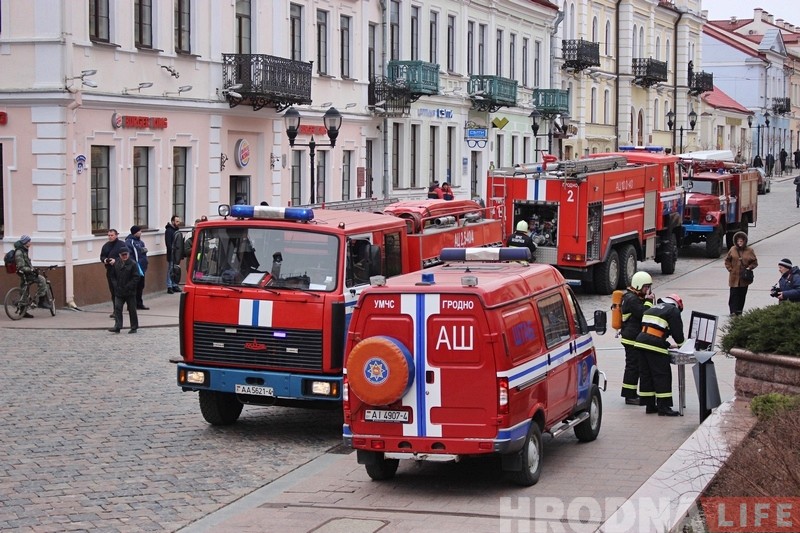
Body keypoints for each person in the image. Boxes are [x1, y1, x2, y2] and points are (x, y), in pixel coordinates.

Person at [635, 293, 685, 417]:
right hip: (654, 346)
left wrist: (666, 344)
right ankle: (664, 407)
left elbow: (653, 330)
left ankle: (650, 405)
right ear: (677, 305)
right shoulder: (673, 310)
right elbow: (677, 332)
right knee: (662, 375)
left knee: (646, 375)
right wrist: (682, 345)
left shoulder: (653, 308)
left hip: (640, 343)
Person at [619, 271, 654, 405]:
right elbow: (643, 314)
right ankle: (629, 396)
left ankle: (631, 393)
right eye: (646, 287)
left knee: (634, 366)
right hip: (631, 338)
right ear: (639, 285)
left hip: (632, 336)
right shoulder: (632, 299)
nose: (648, 290)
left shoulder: (633, 297)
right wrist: (649, 301)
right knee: (633, 367)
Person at [12, 235, 48, 318]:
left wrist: (32, 269)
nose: (30, 243)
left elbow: (26, 263)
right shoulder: (19, 252)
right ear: (25, 242)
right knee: (42, 280)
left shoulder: (24, 250)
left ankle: (23, 312)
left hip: (26, 273)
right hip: (25, 274)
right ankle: (41, 301)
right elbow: (21, 267)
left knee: (25, 290)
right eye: (29, 241)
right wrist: (31, 270)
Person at [724, 231, 757, 316]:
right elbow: (727, 260)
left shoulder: (750, 250)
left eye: (741, 241)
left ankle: (739, 311)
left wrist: (749, 268)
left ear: (744, 241)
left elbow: (755, 262)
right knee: (733, 295)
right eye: (738, 241)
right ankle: (733, 311)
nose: (739, 243)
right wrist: (730, 269)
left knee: (742, 295)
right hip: (734, 277)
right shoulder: (732, 249)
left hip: (744, 278)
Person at [108, 248, 141, 334]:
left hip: (130, 291)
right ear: (120, 255)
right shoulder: (116, 264)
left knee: (132, 309)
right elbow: (112, 276)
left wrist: (129, 286)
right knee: (117, 308)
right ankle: (118, 326)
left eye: (126, 254)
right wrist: (115, 285)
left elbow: (136, 277)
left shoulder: (133, 264)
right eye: (123, 255)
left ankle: (134, 327)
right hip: (119, 291)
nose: (125, 256)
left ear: (128, 254)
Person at [100, 229, 131, 317]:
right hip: (110, 271)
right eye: (109, 235)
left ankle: (127, 306)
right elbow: (102, 256)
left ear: (116, 235)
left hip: (121, 271)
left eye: (112, 235)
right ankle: (116, 311)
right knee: (113, 291)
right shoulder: (106, 246)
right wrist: (105, 260)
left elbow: (126, 256)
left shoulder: (121, 245)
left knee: (122, 290)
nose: (110, 237)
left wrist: (116, 260)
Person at [125, 225, 150, 310]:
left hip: (142, 268)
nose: (140, 232)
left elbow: (142, 252)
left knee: (140, 286)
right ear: (135, 232)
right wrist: (134, 265)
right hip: (135, 267)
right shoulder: (129, 242)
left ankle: (139, 303)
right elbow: (130, 255)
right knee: (134, 287)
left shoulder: (140, 242)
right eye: (139, 231)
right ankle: (131, 305)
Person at [164, 215, 182, 294]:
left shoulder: (176, 230)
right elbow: (168, 243)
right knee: (171, 270)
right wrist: (172, 252)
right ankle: (169, 286)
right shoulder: (169, 231)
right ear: (172, 222)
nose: (178, 223)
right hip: (172, 254)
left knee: (176, 270)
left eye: (179, 221)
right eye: (177, 221)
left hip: (177, 254)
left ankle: (174, 285)